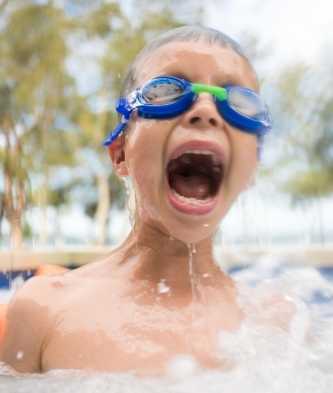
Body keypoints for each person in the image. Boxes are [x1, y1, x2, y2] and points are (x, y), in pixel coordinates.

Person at [0, 26, 290, 375]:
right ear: (120, 153)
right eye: (167, 92)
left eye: (240, 103)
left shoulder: (278, 328)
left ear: (252, 167)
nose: (206, 110)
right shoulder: (43, 310)